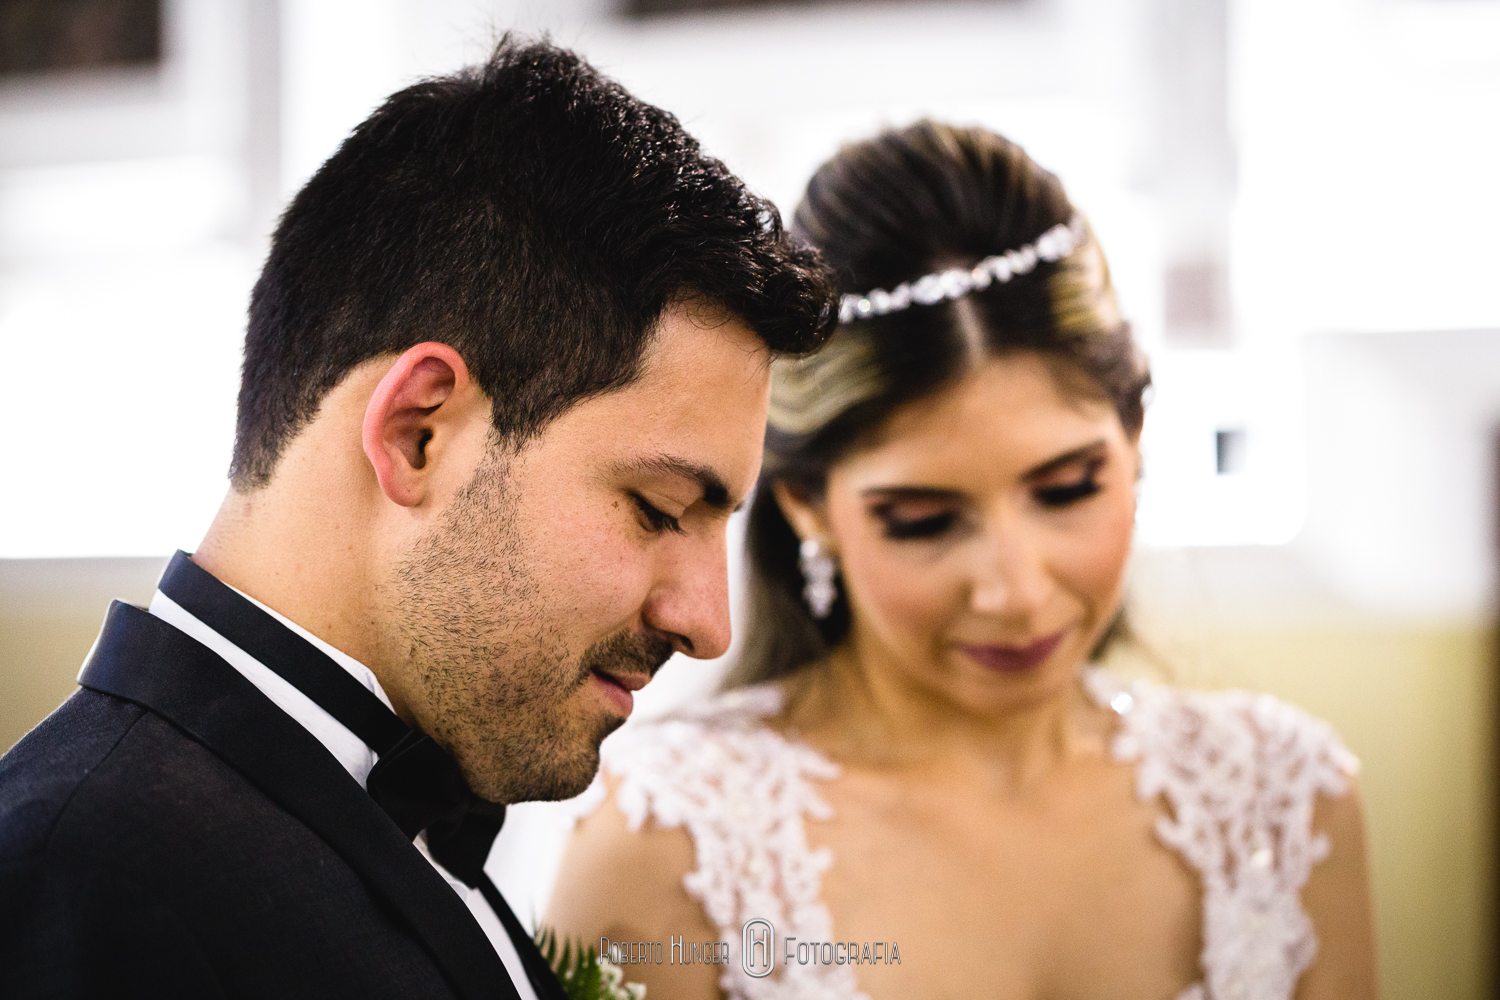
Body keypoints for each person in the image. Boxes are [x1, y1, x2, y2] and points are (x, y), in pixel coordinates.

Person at [0, 37, 836, 1000]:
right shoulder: (79, 885)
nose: (707, 621)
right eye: (658, 509)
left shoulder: (401, 818)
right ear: (417, 433)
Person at [546, 121, 1379, 1000]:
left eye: (1066, 490)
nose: (1016, 592)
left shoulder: (1284, 804)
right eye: (924, 521)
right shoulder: (671, 843)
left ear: (1135, 444)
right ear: (805, 505)